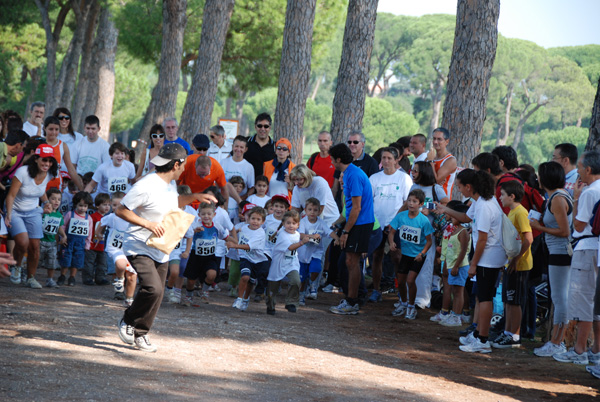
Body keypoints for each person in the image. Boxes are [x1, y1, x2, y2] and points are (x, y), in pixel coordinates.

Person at [116, 143, 217, 352]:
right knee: (153, 288)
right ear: (176, 165)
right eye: (183, 165)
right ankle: (127, 321)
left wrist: (196, 197)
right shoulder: (146, 185)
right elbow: (121, 210)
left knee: (158, 293)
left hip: (161, 247)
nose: (184, 169)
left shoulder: (170, 183)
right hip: (138, 245)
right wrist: (148, 224)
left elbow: (175, 201)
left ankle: (141, 334)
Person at [437, 169, 507, 354]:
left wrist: (473, 264)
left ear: (469, 187)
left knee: (484, 298)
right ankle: (478, 334)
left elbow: (482, 239)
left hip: (489, 258)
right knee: (482, 297)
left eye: (459, 186)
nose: (459, 190)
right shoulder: (481, 201)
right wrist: (445, 209)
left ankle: (482, 339)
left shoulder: (484, 206)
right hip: (487, 256)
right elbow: (466, 217)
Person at [553, 150, 600, 366]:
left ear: (588, 170)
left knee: (583, 301)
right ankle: (594, 349)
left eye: (580, 168)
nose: (578, 172)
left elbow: (579, 225)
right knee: (594, 303)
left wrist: (578, 198)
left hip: (587, 246)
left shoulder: (590, 192)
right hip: (595, 249)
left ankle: (579, 349)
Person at [530, 162, 572, 357]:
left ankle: (557, 341)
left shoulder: (557, 198)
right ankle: (556, 339)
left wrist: (540, 227)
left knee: (559, 297)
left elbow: (564, 231)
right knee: (558, 296)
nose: (537, 179)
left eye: (540, 176)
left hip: (560, 252)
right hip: (557, 252)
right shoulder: (557, 197)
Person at [328, 143, 374, 315]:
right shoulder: (349, 173)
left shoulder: (352, 175)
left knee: (352, 262)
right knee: (348, 261)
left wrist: (346, 231)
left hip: (360, 223)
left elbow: (356, 208)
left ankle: (352, 301)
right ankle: (351, 299)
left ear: (338, 159)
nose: (331, 162)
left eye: (332, 159)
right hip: (357, 223)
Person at [6, 144, 58, 288]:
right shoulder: (23, 172)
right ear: (36, 159)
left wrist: (46, 202)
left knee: (35, 246)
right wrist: (8, 214)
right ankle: (16, 266)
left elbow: (39, 190)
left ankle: (31, 277)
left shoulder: (50, 174)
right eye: (44, 160)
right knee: (23, 243)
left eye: (50, 161)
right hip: (15, 210)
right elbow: (10, 195)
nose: (47, 164)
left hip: (34, 211)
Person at [492, 181, 533, 348]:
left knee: (515, 301)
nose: (500, 198)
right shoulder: (511, 212)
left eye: (502, 195)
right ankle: (507, 332)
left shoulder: (520, 213)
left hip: (520, 265)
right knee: (508, 300)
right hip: (511, 264)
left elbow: (528, 238)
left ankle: (515, 336)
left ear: (512, 196)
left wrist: (516, 260)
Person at [368, 147, 413, 302]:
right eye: (383, 158)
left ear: (396, 160)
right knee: (376, 256)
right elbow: (369, 200)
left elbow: (408, 202)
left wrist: (394, 221)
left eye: (389, 158)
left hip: (396, 225)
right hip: (377, 224)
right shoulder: (374, 178)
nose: (386, 161)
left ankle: (400, 290)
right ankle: (376, 290)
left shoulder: (404, 178)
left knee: (397, 257)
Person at [388, 189, 434, 320]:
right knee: (401, 281)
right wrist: (391, 243)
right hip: (405, 254)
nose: (411, 203)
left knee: (410, 280)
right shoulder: (401, 216)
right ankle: (403, 303)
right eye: (409, 200)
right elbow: (391, 232)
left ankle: (411, 306)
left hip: (418, 256)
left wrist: (422, 253)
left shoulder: (423, 221)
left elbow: (429, 241)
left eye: (414, 201)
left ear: (421, 204)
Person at [181, 202, 230, 306]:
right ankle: (189, 297)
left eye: (209, 214)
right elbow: (185, 235)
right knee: (190, 281)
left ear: (214, 215)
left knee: (212, 274)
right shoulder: (196, 225)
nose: (206, 216)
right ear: (199, 215)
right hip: (196, 256)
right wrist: (194, 231)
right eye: (203, 214)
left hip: (210, 256)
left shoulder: (217, 226)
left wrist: (235, 243)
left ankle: (204, 291)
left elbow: (226, 237)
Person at [226, 206, 269, 312]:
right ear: (248, 219)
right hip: (245, 257)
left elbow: (248, 246)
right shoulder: (244, 228)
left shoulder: (260, 233)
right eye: (253, 218)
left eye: (258, 219)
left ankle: (246, 299)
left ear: (263, 221)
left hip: (258, 260)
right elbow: (237, 232)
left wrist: (234, 246)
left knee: (250, 281)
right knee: (245, 277)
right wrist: (231, 234)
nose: (255, 221)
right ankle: (239, 299)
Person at [266, 210, 309, 315]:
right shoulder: (282, 235)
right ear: (283, 224)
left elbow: (303, 238)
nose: (291, 226)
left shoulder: (297, 234)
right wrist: (302, 242)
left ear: (298, 224)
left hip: (292, 263)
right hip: (279, 264)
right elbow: (290, 247)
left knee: (296, 281)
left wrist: (313, 237)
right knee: (273, 288)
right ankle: (270, 306)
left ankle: (291, 302)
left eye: (294, 223)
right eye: (288, 223)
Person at [99, 192, 138, 304]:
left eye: (120, 205)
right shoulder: (111, 217)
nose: (117, 208)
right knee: (120, 264)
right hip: (115, 248)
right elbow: (101, 225)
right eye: (114, 205)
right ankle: (119, 280)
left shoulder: (134, 217)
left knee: (132, 274)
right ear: (111, 204)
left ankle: (129, 299)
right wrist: (99, 235)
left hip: (131, 248)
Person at [437, 201, 472, 327]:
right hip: (453, 265)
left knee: (458, 292)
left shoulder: (463, 232)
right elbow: (450, 250)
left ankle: (457, 316)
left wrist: (456, 266)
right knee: (455, 291)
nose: (451, 218)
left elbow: (463, 251)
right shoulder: (454, 230)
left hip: (460, 266)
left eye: (453, 216)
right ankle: (454, 314)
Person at [298, 197, 335, 304]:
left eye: (315, 210)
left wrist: (337, 238)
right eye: (310, 209)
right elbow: (300, 235)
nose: (312, 212)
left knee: (316, 269)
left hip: (316, 252)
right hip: (304, 254)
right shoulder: (303, 221)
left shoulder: (321, 222)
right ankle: (301, 295)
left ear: (319, 211)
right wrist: (312, 237)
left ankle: (313, 283)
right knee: (302, 277)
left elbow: (328, 232)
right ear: (305, 210)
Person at [178, 134, 229, 207]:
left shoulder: (215, 165)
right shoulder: (186, 162)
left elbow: (224, 188)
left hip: (207, 202)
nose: (201, 152)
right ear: (192, 146)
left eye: (204, 149)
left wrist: (224, 208)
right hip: (188, 201)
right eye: (199, 148)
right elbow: (176, 184)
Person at [57, 191, 94, 286]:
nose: (82, 208)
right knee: (66, 259)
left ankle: (72, 277)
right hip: (68, 241)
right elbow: (63, 226)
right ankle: (62, 276)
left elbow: (89, 233)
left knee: (77, 261)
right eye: (80, 205)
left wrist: (87, 244)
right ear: (75, 204)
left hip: (80, 243)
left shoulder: (88, 218)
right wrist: (62, 237)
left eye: (85, 206)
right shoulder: (70, 214)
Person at [42, 116, 83, 191]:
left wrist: (82, 189)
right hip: (39, 186)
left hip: (56, 187)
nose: (54, 132)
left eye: (56, 129)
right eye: (51, 129)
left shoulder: (62, 146)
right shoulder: (39, 143)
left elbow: (71, 169)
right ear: (45, 128)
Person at [82, 193, 111, 286]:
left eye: (108, 205)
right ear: (97, 205)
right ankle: (88, 278)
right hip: (92, 244)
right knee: (89, 263)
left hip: (103, 245)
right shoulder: (93, 217)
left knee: (102, 263)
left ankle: (100, 278)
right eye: (104, 204)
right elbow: (89, 230)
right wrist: (88, 241)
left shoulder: (109, 218)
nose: (107, 207)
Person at [40, 187, 67, 287]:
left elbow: (59, 227)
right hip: (40, 240)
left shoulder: (59, 215)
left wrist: (63, 235)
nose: (56, 201)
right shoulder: (42, 212)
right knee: (36, 260)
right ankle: (30, 275)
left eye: (59, 199)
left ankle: (50, 279)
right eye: (53, 199)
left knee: (52, 263)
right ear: (47, 199)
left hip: (52, 243)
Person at [425, 127, 457, 198]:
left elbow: (436, 181)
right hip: (428, 199)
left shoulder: (450, 160)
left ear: (447, 141)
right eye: (434, 138)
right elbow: (420, 177)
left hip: (442, 203)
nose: (435, 142)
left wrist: (431, 162)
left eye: (439, 139)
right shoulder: (430, 157)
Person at [221, 135, 255, 200]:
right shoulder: (223, 162)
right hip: (224, 201)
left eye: (241, 147)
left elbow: (252, 188)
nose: (238, 149)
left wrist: (241, 200)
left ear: (246, 149)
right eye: (236, 146)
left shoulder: (249, 167)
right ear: (232, 147)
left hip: (240, 203)